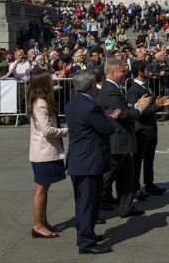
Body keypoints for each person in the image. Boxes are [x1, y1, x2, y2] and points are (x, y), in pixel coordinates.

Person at [65, 70, 119, 255]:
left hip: (78, 160)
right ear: (90, 86)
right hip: (89, 161)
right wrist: (110, 118)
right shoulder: (90, 107)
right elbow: (106, 128)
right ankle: (86, 242)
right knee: (89, 202)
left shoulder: (72, 103)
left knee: (82, 202)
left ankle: (85, 233)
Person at [96, 58, 152, 218]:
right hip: (117, 141)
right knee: (107, 178)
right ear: (112, 73)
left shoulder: (113, 88)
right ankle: (91, 208)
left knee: (126, 176)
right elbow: (125, 116)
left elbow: (123, 109)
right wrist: (140, 109)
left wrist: (134, 106)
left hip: (122, 141)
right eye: (122, 71)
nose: (125, 73)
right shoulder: (111, 90)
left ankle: (126, 207)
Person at [27, 70, 69, 239]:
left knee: (44, 188)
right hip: (43, 152)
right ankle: (38, 225)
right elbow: (48, 130)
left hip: (45, 151)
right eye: (51, 80)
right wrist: (68, 130)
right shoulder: (41, 104)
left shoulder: (42, 102)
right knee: (41, 188)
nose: (53, 83)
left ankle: (43, 222)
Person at [127, 60, 169, 200]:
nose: (149, 71)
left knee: (149, 158)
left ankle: (149, 184)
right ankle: (134, 187)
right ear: (140, 72)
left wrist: (160, 103)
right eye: (147, 69)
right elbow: (139, 111)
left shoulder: (147, 86)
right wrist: (157, 106)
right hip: (141, 129)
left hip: (151, 128)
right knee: (138, 160)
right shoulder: (134, 89)